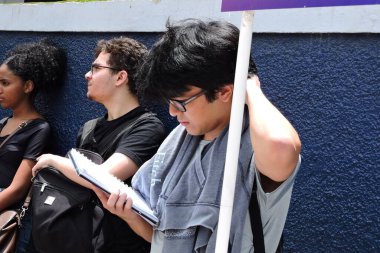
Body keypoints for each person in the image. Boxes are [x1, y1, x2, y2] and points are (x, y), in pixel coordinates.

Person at [94, 19, 302, 253]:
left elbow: (282, 146)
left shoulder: (252, 143)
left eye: (181, 103)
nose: (172, 112)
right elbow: (160, 237)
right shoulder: (177, 143)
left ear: (224, 91)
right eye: (169, 102)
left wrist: (250, 86)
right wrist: (130, 216)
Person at [32, 37, 166, 253]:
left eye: (95, 68)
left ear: (121, 77)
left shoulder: (147, 127)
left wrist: (52, 160)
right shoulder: (89, 128)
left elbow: (104, 178)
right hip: (81, 240)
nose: (87, 75)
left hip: (120, 246)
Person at [0, 40, 66, 253]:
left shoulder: (39, 129)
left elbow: (18, 189)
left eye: (5, 83)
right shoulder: (2, 123)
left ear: (28, 86)